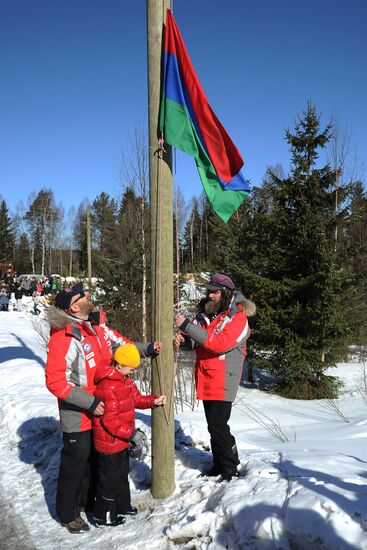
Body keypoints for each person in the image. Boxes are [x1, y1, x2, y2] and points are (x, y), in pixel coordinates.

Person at [45, 282, 162, 534]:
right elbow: (55, 381)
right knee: (75, 464)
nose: (89, 297)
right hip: (78, 413)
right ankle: (68, 514)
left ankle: (88, 503)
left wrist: (147, 349)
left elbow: (120, 349)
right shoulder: (63, 335)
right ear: (74, 306)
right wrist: (90, 402)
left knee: (94, 460)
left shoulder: (92, 330)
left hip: (99, 409)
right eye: (83, 295)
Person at [174, 273, 256, 482]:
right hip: (206, 376)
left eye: (215, 292)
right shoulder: (207, 314)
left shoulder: (238, 318)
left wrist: (187, 326)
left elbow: (218, 344)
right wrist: (183, 341)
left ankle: (230, 466)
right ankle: (219, 463)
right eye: (209, 291)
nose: (211, 295)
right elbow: (197, 342)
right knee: (213, 426)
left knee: (219, 426)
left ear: (226, 293)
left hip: (224, 378)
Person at [92, 343, 166, 527]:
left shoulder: (124, 380)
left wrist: (154, 400)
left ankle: (122, 506)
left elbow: (137, 399)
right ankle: (105, 515)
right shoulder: (108, 386)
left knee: (121, 475)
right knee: (109, 479)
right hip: (109, 443)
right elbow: (109, 421)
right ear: (119, 365)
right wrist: (131, 433)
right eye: (131, 368)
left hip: (120, 441)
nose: (132, 372)